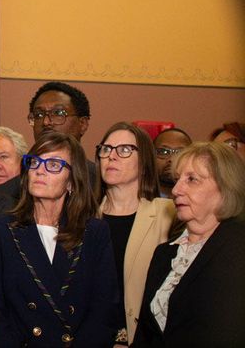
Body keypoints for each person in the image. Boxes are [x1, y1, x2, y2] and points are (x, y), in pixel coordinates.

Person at [0, 132, 117, 347]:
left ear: (72, 182)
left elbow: (103, 311)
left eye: (53, 164)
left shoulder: (94, 232)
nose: (39, 170)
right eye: (34, 162)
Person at [132, 142, 245, 347]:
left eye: (192, 180)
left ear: (225, 187)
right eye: (177, 180)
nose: (176, 190)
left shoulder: (237, 250)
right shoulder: (165, 253)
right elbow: (145, 335)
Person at [96, 122, 176, 345]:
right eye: (106, 149)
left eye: (124, 150)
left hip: (147, 339)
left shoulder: (167, 213)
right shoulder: (84, 218)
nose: (111, 156)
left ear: (144, 162)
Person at [27, 81, 96, 177]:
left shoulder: (100, 182)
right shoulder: (17, 185)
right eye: (39, 114)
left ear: (83, 124)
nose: (46, 122)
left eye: (58, 113)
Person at [152, 128, 192, 198]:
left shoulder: (201, 200)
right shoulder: (137, 198)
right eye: (163, 152)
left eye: (180, 152)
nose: (171, 159)